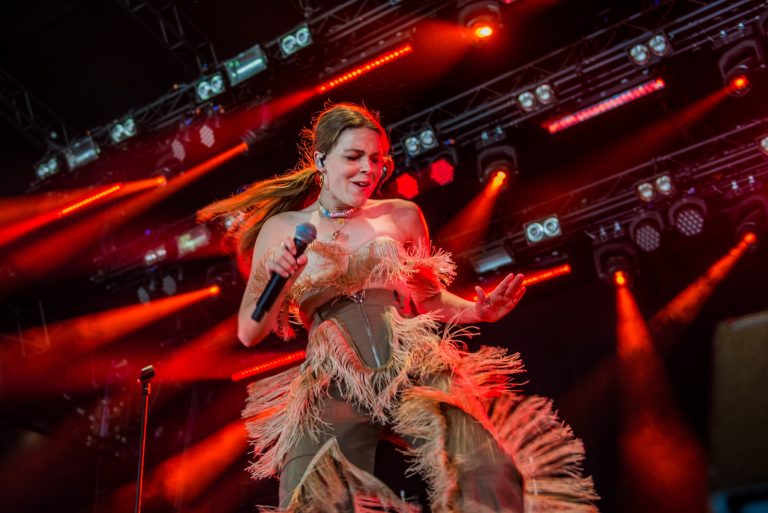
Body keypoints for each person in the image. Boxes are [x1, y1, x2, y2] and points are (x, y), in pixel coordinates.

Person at [199, 102, 598, 512]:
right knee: (313, 497)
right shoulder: (282, 229)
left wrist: (480, 312)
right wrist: (280, 278)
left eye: (376, 159)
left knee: (484, 463)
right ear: (321, 159)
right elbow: (250, 332)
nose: (368, 169)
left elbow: (427, 299)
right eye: (353, 157)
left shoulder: (402, 215)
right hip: (332, 380)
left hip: (412, 364)